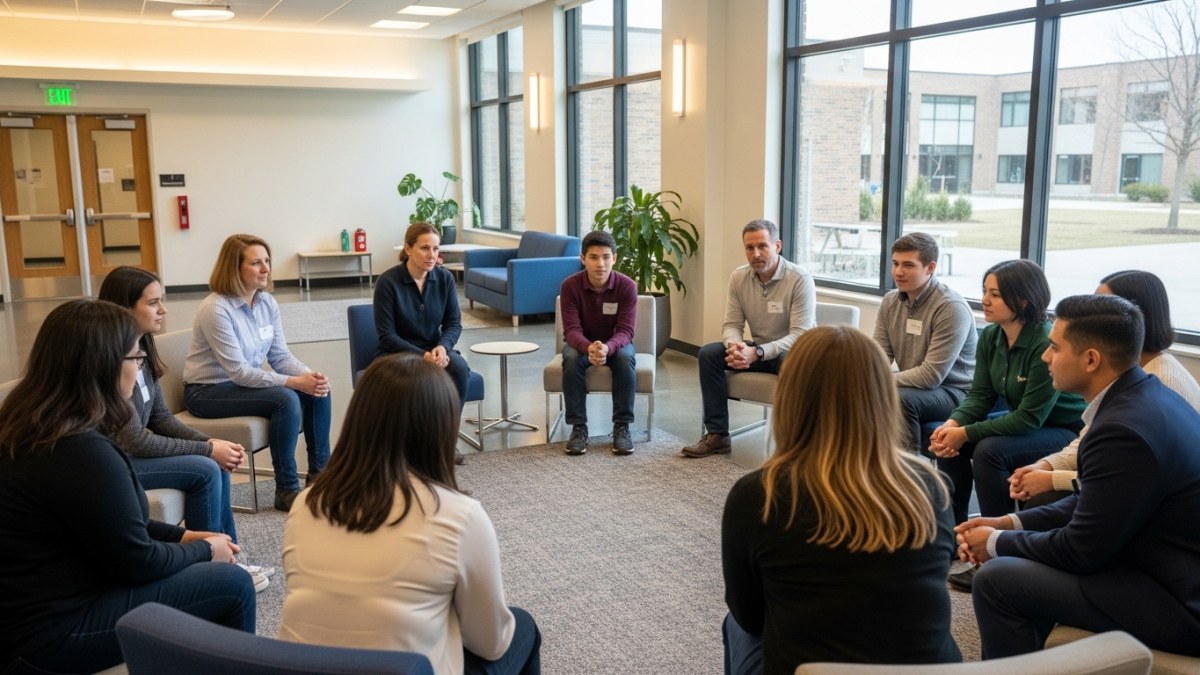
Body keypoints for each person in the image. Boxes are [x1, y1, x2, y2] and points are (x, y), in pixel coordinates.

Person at [0, 299, 255, 675]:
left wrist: (182, 538)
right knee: (231, 583)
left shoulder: (34, 424)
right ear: (104, 365)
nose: (139, 368)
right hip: (48, 637)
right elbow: (138, 563)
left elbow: (113, 523)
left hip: (29, 619)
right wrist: (203, 551)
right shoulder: (81, 450)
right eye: (136, 357)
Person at [960, 294, 1200, 659]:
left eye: (1055, 347)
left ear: (1091, 359)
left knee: (997, 579)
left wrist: (994, 543)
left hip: (1179, 602)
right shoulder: (1147, 396)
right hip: (1160, 567)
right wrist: (1010, 523)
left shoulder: (1123, 430)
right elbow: (1093, 500)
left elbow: (1080, 551)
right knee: (1021, 560)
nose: (1045, 357)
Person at [279, 353, 541, 675]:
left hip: (305, 668)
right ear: (440, 429)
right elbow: (491, 643)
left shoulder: (307, 503)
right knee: (522, 627)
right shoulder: (459, 516)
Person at [722, 326, 960, 674]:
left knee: (734, 624)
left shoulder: (760, 495)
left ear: (790, 397)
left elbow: (749, 615)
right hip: (928, 671)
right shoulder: (929, 487)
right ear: (882, 396)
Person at [99, 266, 274, 590]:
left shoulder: (142, 349)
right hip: (114, 462)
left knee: (213, 462)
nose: (163, 310)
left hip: (129, 455)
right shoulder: (113, 362)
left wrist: (212, 443)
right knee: (205, 468)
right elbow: (136, 441)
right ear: (124, 307)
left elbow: (161, 419)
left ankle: (229, 557)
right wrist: (207, 449)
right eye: (153, 303)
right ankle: (209, 568)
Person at [929, 260, 1085, 565]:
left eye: (995, 294)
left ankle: (995, 544)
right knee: (950, 443)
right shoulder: (991, 336)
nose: (985, 300)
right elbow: (981, 395)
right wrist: (953, 424)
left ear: (1024, 301)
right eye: (984, 291)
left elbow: (1029, 418)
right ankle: (955, 534)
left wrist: (966, 432)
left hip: (1063, 430)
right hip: (1026, 421)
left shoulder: (1044, 342)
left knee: (990, 451)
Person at [1009, 270, 1200, 506]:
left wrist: (1051, 479)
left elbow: (1126, 477)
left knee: (1042, 498)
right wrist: (1046, 466)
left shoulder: (1162, 380)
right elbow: (1089, 439)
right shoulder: (1126, 373)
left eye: (1104, 304)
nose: (1092, 312)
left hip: (1158, 501)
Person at [183, 234, 331, 512]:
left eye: (267, 261)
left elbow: (279, 356)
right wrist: (294, 382)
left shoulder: (266, 303)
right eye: (256, 263)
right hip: (207, 391)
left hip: (240, 385)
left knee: (319, 390)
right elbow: (240, 372)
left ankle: (320, 477)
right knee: (285, 398)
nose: (266, 269)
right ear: (234, 268)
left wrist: (310, 377)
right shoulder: (216, 309)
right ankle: (286, 489)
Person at [681, 219, 816, 458]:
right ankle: (718, 435)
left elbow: (800, 335)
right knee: (709, 354)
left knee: (791, 361)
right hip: (758, 350)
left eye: (762, 246)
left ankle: (794, 445)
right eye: (749, 248)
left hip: (793, 353)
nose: (756, 254)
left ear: (777, 246)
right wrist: (735, 347)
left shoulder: (799, 278)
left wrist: (757, 352)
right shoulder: (739, 277)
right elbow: (732, 325)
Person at [375, 222, 472, 464]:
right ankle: (406, 448)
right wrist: (423, 356)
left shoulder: (445, 278)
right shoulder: (388, 282)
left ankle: (445, 442)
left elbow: (453, 324)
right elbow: (387, 335)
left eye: (436, 249)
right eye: (424, 248)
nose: (431, 255)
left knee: (459, 369)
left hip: (434, 350)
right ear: (408, 249)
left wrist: (443, 347)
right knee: (408, 380)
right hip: (396, 353)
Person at [872, 232, 976, 454]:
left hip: (955, 392)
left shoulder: (950, 307)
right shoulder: (890, 301)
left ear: (930, 268)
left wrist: (880, 380)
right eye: (895, 263)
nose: (898, 272)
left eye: (908, 265)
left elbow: (931, 376)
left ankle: (907, 470)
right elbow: (878, 356)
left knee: (898, 399)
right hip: (914, 386)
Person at [558, 230, 639, 456]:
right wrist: (589, 348)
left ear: (614, 258)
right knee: (571, 357)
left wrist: (607, 347)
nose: (600, 264)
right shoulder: (570, 286)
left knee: (625, 358)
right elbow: (571, 330)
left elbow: (626, 331)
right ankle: (578, 428)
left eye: (605, 257)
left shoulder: (627, 286)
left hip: (616, 344)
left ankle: (622, 427)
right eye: (593, 257)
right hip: (581, 344)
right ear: (583, 258)